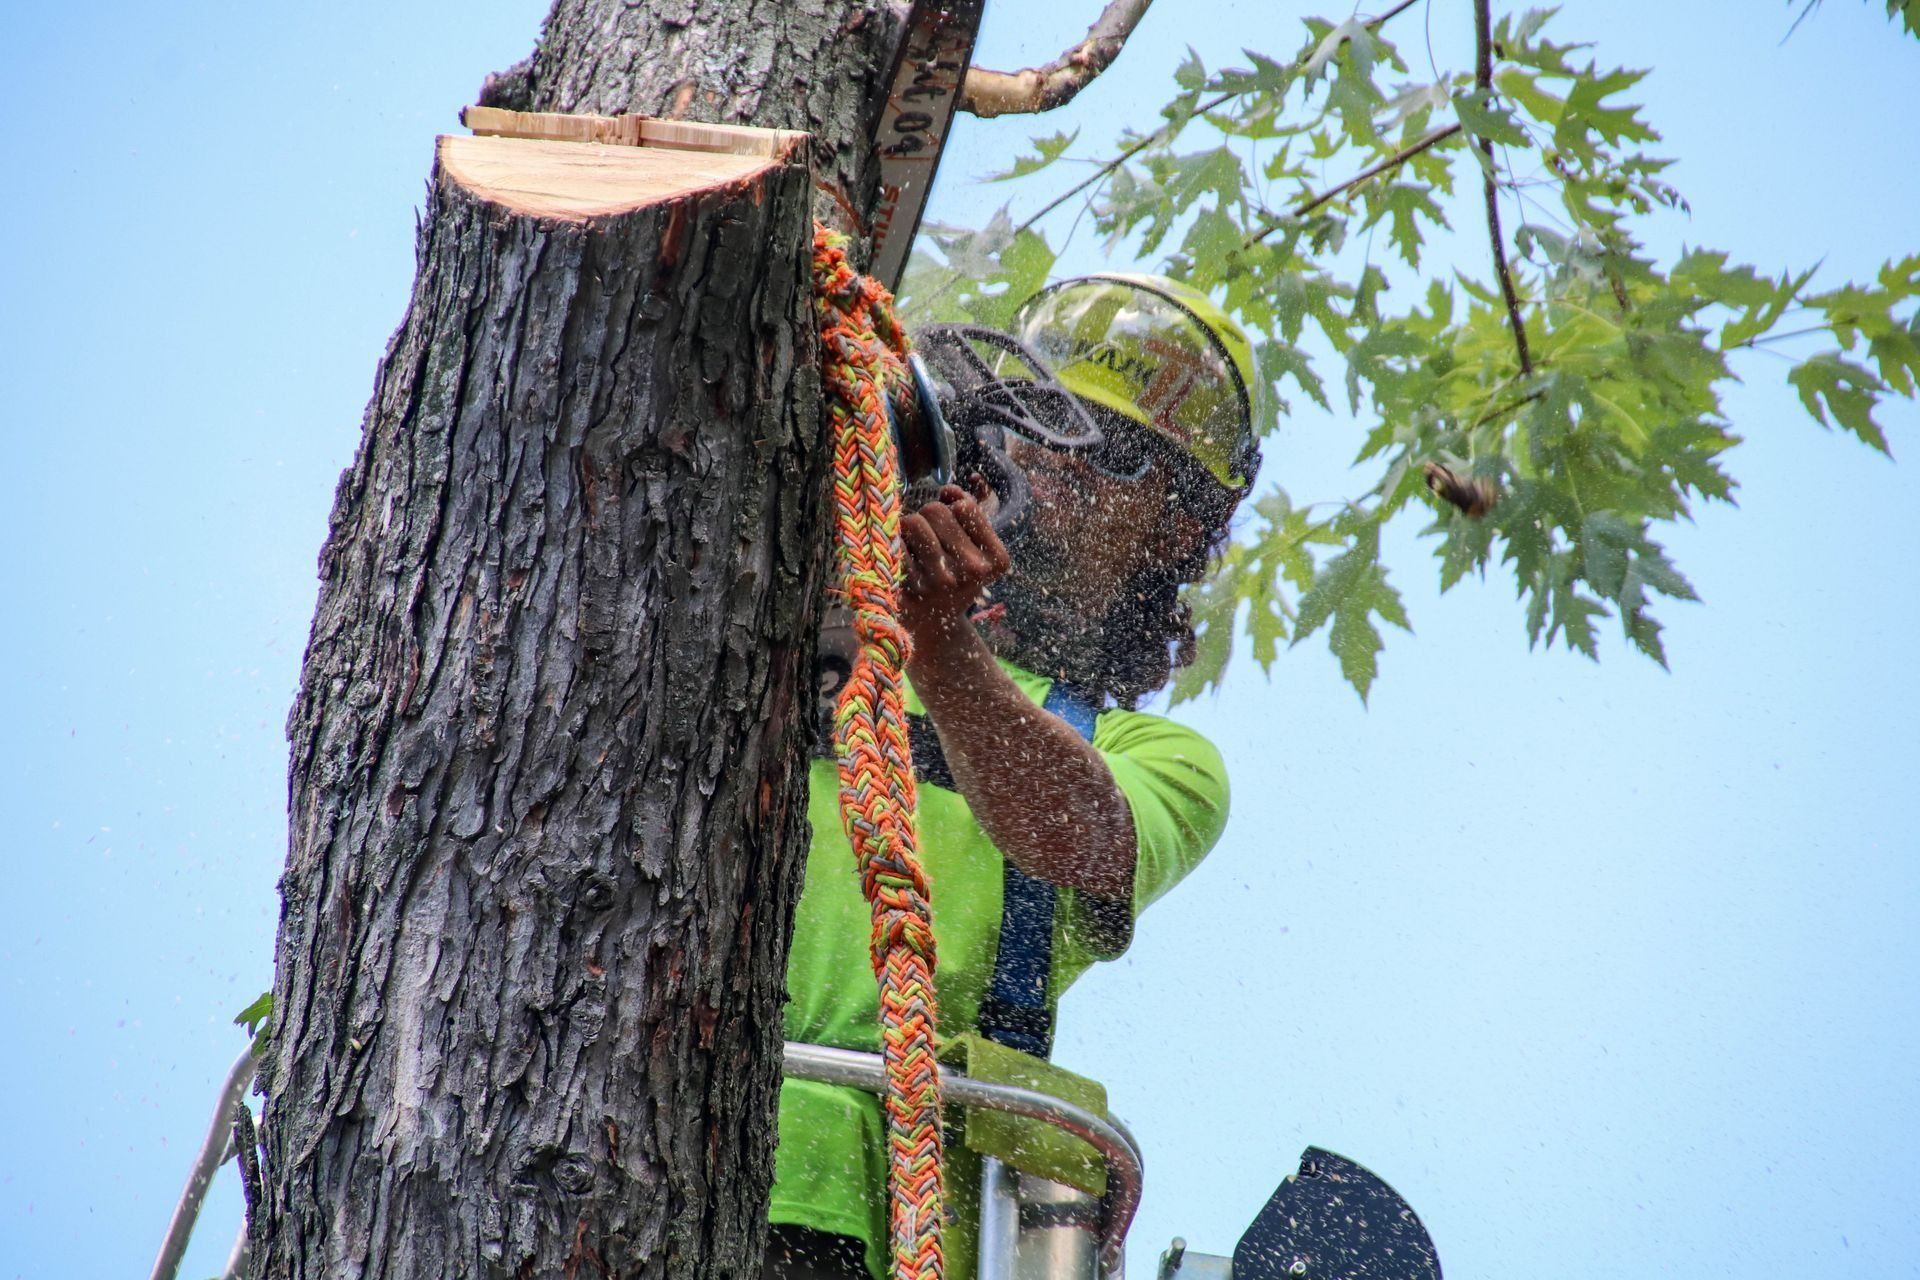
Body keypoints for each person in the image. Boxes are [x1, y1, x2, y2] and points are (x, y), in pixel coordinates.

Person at [767, 275, 1264, 1280]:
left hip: (882, 1219)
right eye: (1050, 424)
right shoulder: (799, 628)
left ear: (1174, 528)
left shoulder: (1157, 759)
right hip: (643, 1132)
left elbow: (1078, 835)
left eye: (1113, 457)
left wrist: (941, 644)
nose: (1060, 462)